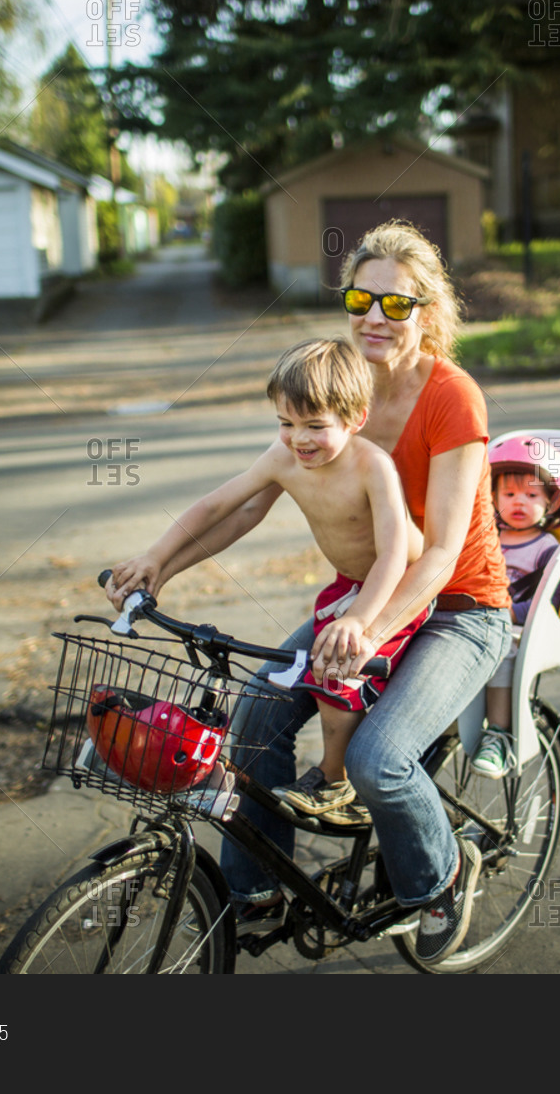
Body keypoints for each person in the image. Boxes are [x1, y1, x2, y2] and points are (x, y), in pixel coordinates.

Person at [108, 220, 512, 964]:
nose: (375, 317)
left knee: (380, 761)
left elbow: (442, 551)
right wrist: (160, 565)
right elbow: (245, 503)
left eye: (398, 303)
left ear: (429, 310)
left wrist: (364, 625)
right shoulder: (333, 387)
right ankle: (256, 892)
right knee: (256, 714)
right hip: (364, 602)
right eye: (362, 297)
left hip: (460, 609)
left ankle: (444, 878)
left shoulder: (451, 397)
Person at [473, 437, 560, 779]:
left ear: (551, 502)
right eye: (509, 495)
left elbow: (551, 601)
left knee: (503, 650)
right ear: (493, 499)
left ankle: (498, 734)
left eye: (531, 496)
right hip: (480, 617)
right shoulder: (488, 537)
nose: (519, 502)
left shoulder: (546, 548)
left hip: (520, 629)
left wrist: (509, 611)